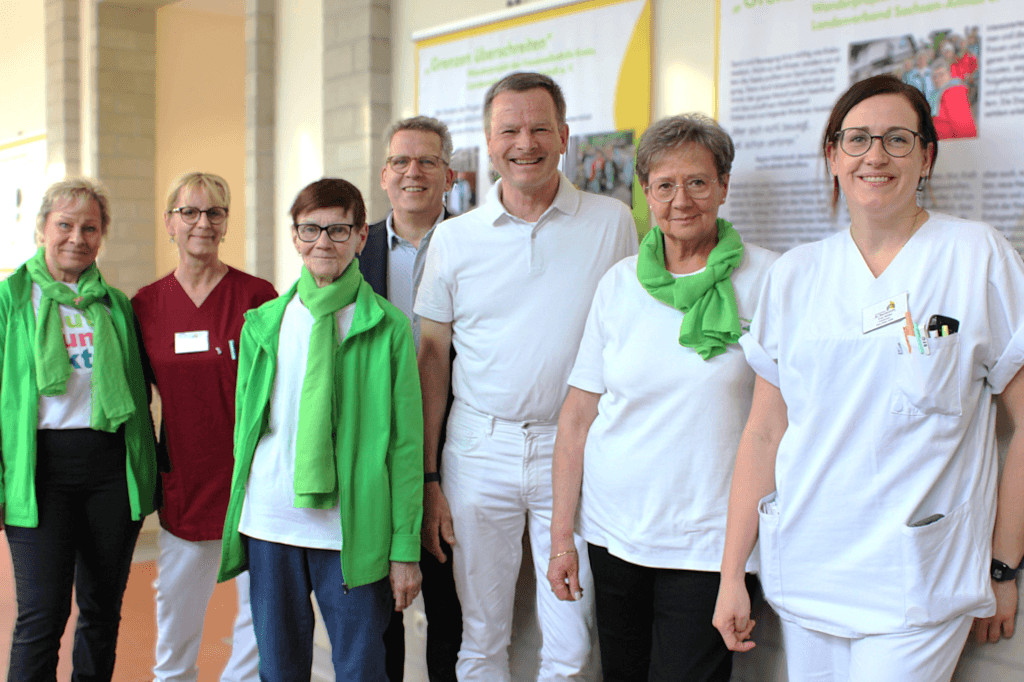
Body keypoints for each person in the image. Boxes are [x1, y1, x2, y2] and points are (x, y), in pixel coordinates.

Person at [712, 74, 1024, 681]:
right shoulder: (795, 275)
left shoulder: (976, 256)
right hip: (808, 571)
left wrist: (1004, 565)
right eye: (856, 139)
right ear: (833, 157)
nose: (874, 156)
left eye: (897, 139)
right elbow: (764, 433)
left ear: (926, 157)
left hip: (920, 578)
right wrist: (731, 576)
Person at [415, 71, 639, 681]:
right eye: (509, 130)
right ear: (489, 143)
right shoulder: (453, 238)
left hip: (575, 449)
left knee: (570, 643)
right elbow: (432, 359)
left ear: (564, 136)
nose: (525, 142)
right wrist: (429, 476)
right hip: (477, 449)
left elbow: (631, 335)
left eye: (540, 128)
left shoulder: (612, 221)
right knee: (481, 637)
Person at [547, 114, 776, 682]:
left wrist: (738, 569)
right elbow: (577, 417)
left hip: (711, 541)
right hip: (614, 533)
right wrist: (561, 539)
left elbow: (781, 423)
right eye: (665, 185)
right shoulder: (620, 283)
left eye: (697, 182)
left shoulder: (770, 279)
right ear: (646, 193)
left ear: (723, 185)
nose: (681, 200)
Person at [218, 178, 424, 681]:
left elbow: (405, 448)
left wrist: (404, 548)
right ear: (295, 236)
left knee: (361, 668)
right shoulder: (263, 323)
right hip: (271, 523)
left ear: (361, 236)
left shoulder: (388, 326)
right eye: (310, 229)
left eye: (338, 229)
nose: (323, 242)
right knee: (279, 669)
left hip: (352, 530)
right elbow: (247, 428)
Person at [0, 177, 158, 681]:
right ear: (42, 229)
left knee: (102, 612)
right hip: (39, 471)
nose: (77, 237)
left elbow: (138, 391)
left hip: (109, 470)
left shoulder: (114, 303)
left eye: (90, 228)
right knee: (41, 615)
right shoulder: (11, 299)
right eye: (65, 225)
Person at [132, 172, 276, 682]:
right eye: (189, 212)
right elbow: (135, 401)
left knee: (258, 625)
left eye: (215, 212)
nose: (202, 223)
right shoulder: (146, 306)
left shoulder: (257, 296)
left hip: (252, 484)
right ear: (169, 222)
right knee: (176, 625)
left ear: (226, 223)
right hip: (186, 488)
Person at [361, 116, 462, 682]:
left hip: (457, 445)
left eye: (427, 161)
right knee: (380, 613)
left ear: (450, 175)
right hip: (375, 451)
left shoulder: (476, 243)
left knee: (451, 610)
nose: (412, 172)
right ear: (384, 175)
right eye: (401, 161)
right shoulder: (353, 249)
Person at [930, 59, 977, 140]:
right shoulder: (936, 94)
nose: (937, 79)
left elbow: (964, 128)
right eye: (934, 77)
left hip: (953, 145)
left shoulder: (953, 92)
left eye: (941, 74)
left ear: (949, 74)